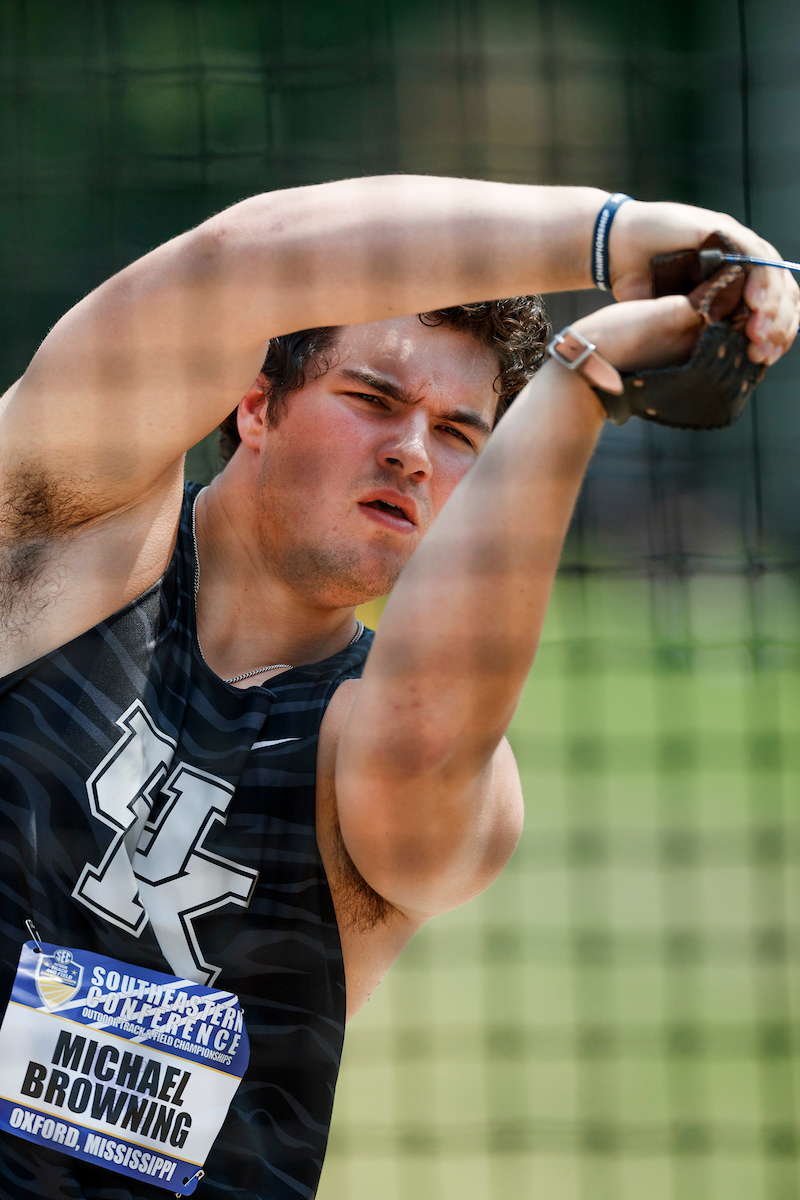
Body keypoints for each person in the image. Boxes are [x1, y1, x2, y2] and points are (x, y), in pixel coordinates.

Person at [0, 176, 796, 1200]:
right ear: (254, 402)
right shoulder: (62, 548)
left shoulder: (401, 759)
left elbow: (422, 734)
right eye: (372, 398)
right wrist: (612, 234)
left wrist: (577, 385)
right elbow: (226, 269)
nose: (412, 453)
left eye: (461, 434)